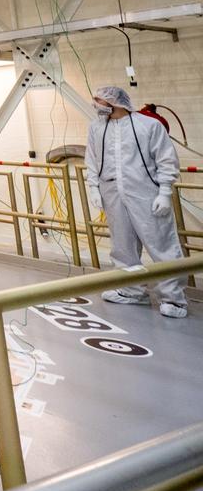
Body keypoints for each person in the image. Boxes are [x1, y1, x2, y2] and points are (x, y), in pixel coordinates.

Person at [85, 85, 186, 318]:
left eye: (98, 101)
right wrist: (94, 188)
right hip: (112, 193)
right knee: (123, 246)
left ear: (115, 103)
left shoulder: (149, 125)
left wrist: (164, 191)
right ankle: (132, 291)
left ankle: (174, 299)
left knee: (161, 244)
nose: (96, 105)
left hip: (146, 193)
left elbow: (166, 159)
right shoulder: (96, 128)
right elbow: (92, 159)